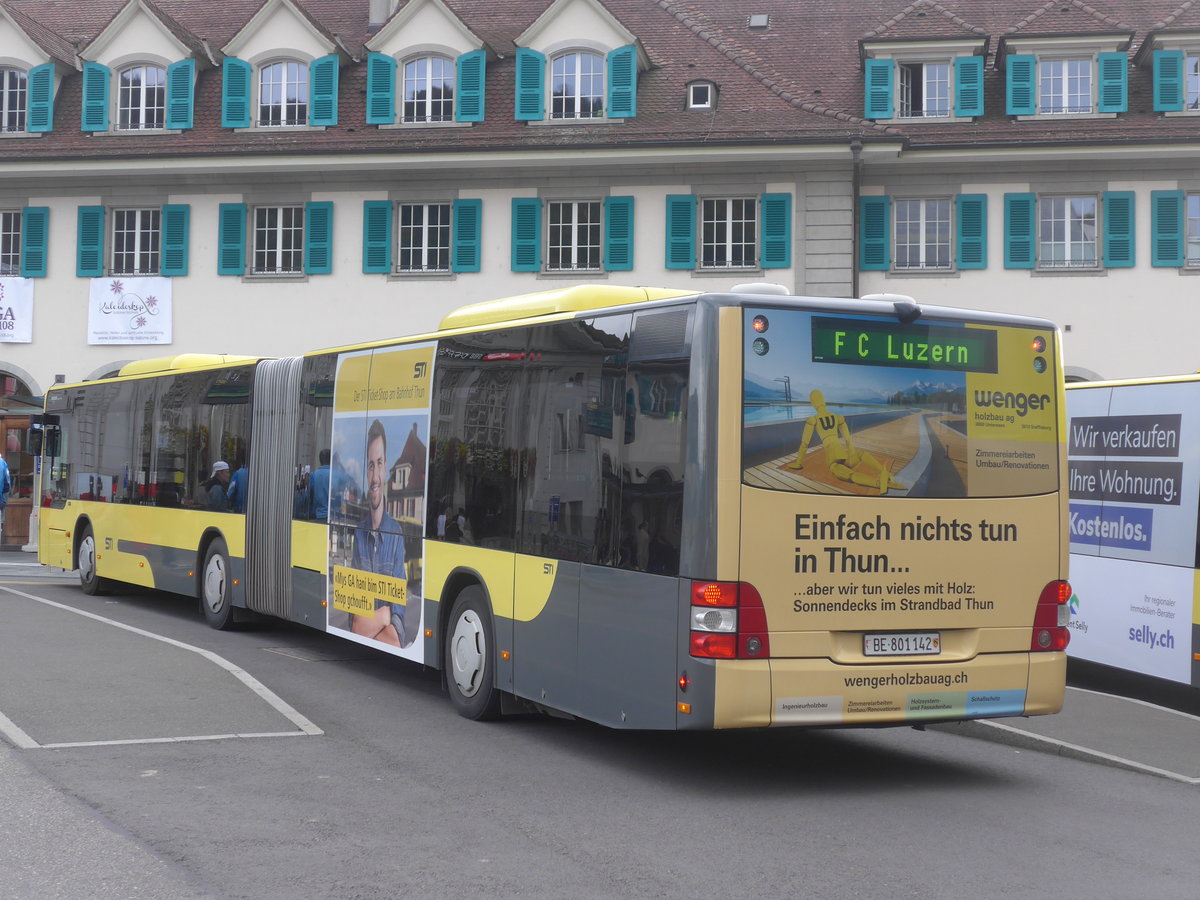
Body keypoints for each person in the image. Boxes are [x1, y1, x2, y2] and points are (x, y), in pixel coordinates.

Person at [349, 419, 419, 648]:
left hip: (386, 624)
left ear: (386, 466)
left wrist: (373, 621)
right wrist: (383, 616)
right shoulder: (360, 533)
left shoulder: (396, 534)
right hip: (375, 620)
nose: (376, 475)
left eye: (379, 463)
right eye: (371, 465)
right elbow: (355, 622)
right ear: (367, 472)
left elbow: (396, 632)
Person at [787, 389, 905, 495]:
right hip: (842, 450)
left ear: (813, 403)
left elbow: (804, 444)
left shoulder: (813, 420)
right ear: (824, 401)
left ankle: (878, 483)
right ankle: (885, 472)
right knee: (861, 454)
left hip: (831, 455)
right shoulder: (838, 417)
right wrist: (852, 452)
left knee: (847, 474)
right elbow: (848, 439)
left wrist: (798, 463)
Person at [308, 449, 333, 522]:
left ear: (320, 461)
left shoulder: (313, 476)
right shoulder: (335, 475)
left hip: (317, 517)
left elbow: (309, 496)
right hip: (333, 518)